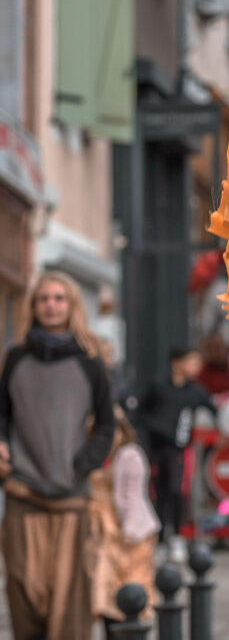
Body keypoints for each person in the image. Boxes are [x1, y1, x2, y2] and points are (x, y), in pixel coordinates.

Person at [0, 271, 115, 640]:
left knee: (69, 601)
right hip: (22, 493)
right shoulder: (14, 359)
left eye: (58, 298)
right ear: (33, 307)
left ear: (71, 306)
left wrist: (82, 464)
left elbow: (108, 428)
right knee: (23, 591)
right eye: (43, 299)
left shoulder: (91, 362)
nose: (51, 305)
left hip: (71, 499)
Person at [90, 408, 160, 639]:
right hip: (102, 532)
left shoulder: (130, 455)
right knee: (105, 588)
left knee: (130, 587)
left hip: (129, 532)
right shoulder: (94, 457)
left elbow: (132, 495)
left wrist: (128, 530)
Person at [138, 345, 214, 553]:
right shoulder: (157, 387)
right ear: (177, 363)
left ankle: (178, 535)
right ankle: (162, 537)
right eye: (192, 362)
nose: (197, 367)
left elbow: (213, 411)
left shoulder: (196, 392)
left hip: (180, 451)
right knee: (158, 492)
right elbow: (140, 414)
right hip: (156, 449)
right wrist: (159, 428)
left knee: (177, 490)